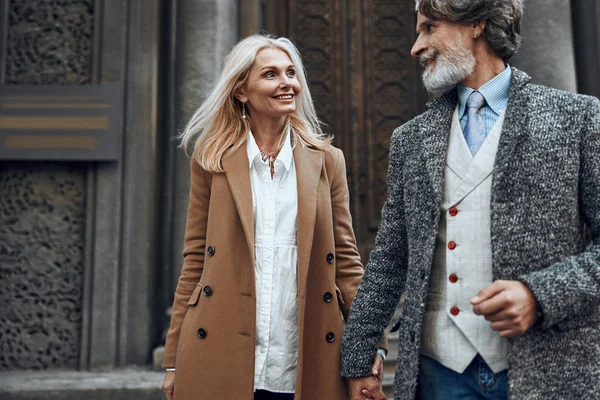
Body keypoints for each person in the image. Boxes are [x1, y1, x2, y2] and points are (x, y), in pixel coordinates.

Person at [340, 0, 600, 399]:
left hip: (548, 368)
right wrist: (360, 356)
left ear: (477, 24)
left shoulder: (578, 119)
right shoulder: (411, 139)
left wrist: (540, 295)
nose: (415, 46)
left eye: (429, 28)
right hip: (439, 371)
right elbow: (391, 257)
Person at [160, 34, 386, 400]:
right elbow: (195, 261)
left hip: (304, 354)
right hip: (221, 352)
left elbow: (346, 263)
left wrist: (371, 348)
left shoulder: (327, 160)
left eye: (291, 73)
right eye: (271, 74)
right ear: (241, 92)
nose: (287, 83)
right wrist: (172, 361)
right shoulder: (212, 160)